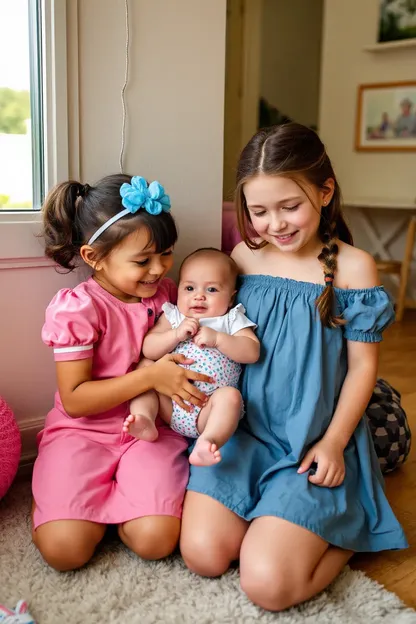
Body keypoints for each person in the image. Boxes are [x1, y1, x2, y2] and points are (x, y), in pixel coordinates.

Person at [181, 123, 408, 611]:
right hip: (246, 433)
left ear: (325, 192)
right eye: (259, 211)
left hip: (313, 439)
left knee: (267, 585)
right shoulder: (243, 257)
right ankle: (275, 522)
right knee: (203, 555)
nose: (275, 224)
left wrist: (333, 442)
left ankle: (350, 529)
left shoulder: (354, 268)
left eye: (290, 207)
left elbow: (363, 368)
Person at [32, 174, 213, 571]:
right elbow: (77, 399)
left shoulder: (168, 294)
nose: (159, 269)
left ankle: (125, 504)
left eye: (166, 254)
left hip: (150, 428)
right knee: (65, 552)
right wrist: (150, 377)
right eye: (142, 260)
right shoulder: (77, 309)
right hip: (82, 432)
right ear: (94, 257)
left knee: (156, 541)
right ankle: (73, 503)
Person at [124, 247, 260, 466]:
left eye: (212, 289)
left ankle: (208, 441)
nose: (199, 296)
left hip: (209, 409)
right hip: (169, 404)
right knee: (145, 367)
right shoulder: (175, 316)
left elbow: (252, 352)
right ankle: (145, 418)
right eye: (189, 288)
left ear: (231, 295)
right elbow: (149, 348)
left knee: (231, 397)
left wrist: (218, 339)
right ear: (179, 290)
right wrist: (175, 335)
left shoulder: (230, 319)